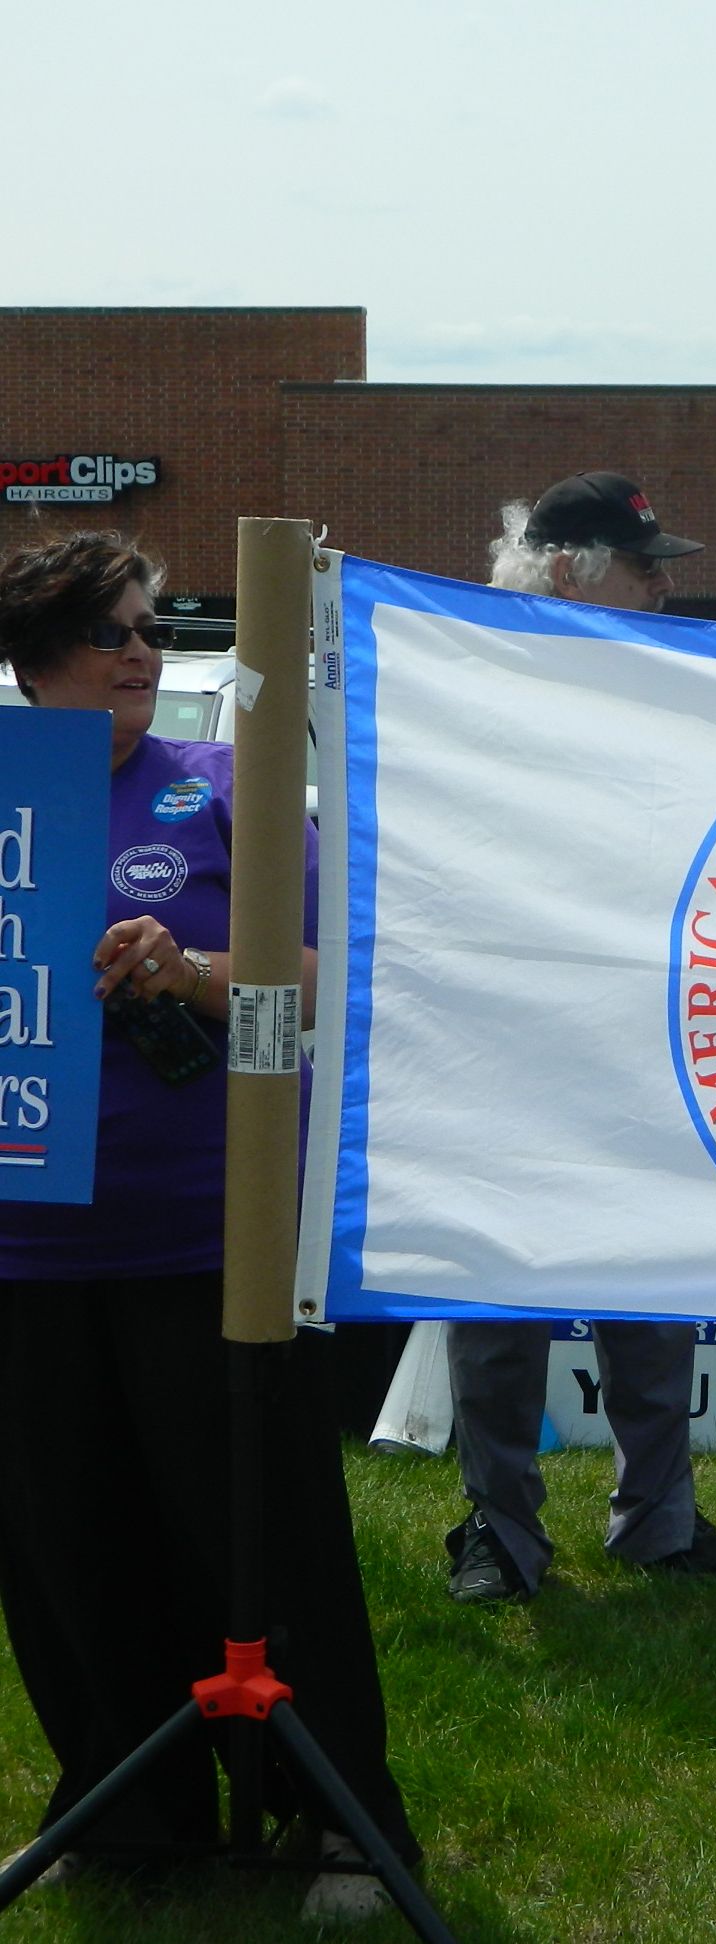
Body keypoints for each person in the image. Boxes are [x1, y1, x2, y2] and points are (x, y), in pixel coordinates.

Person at [0, 532, 418, 1921]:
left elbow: (320, 983)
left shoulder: (227, 786)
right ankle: (133, 1811)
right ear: (34, 657)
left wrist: (186, 977)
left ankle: (338, 1816)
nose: (139, 652)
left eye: (148, 625)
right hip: (27, 1251)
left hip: (209, 1242)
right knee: (66, 1546)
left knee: (261, 1537)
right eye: (105, 631)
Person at [441, 470, 716, 1603]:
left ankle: (659, 1518)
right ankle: (500, 1530)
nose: (664, 588)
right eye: (644, 567)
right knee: (495, 1303)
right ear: (570, 571)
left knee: (656, 1276)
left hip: (644, 1029)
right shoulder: (469, 686)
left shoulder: (677, 693)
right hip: (502, 1034)